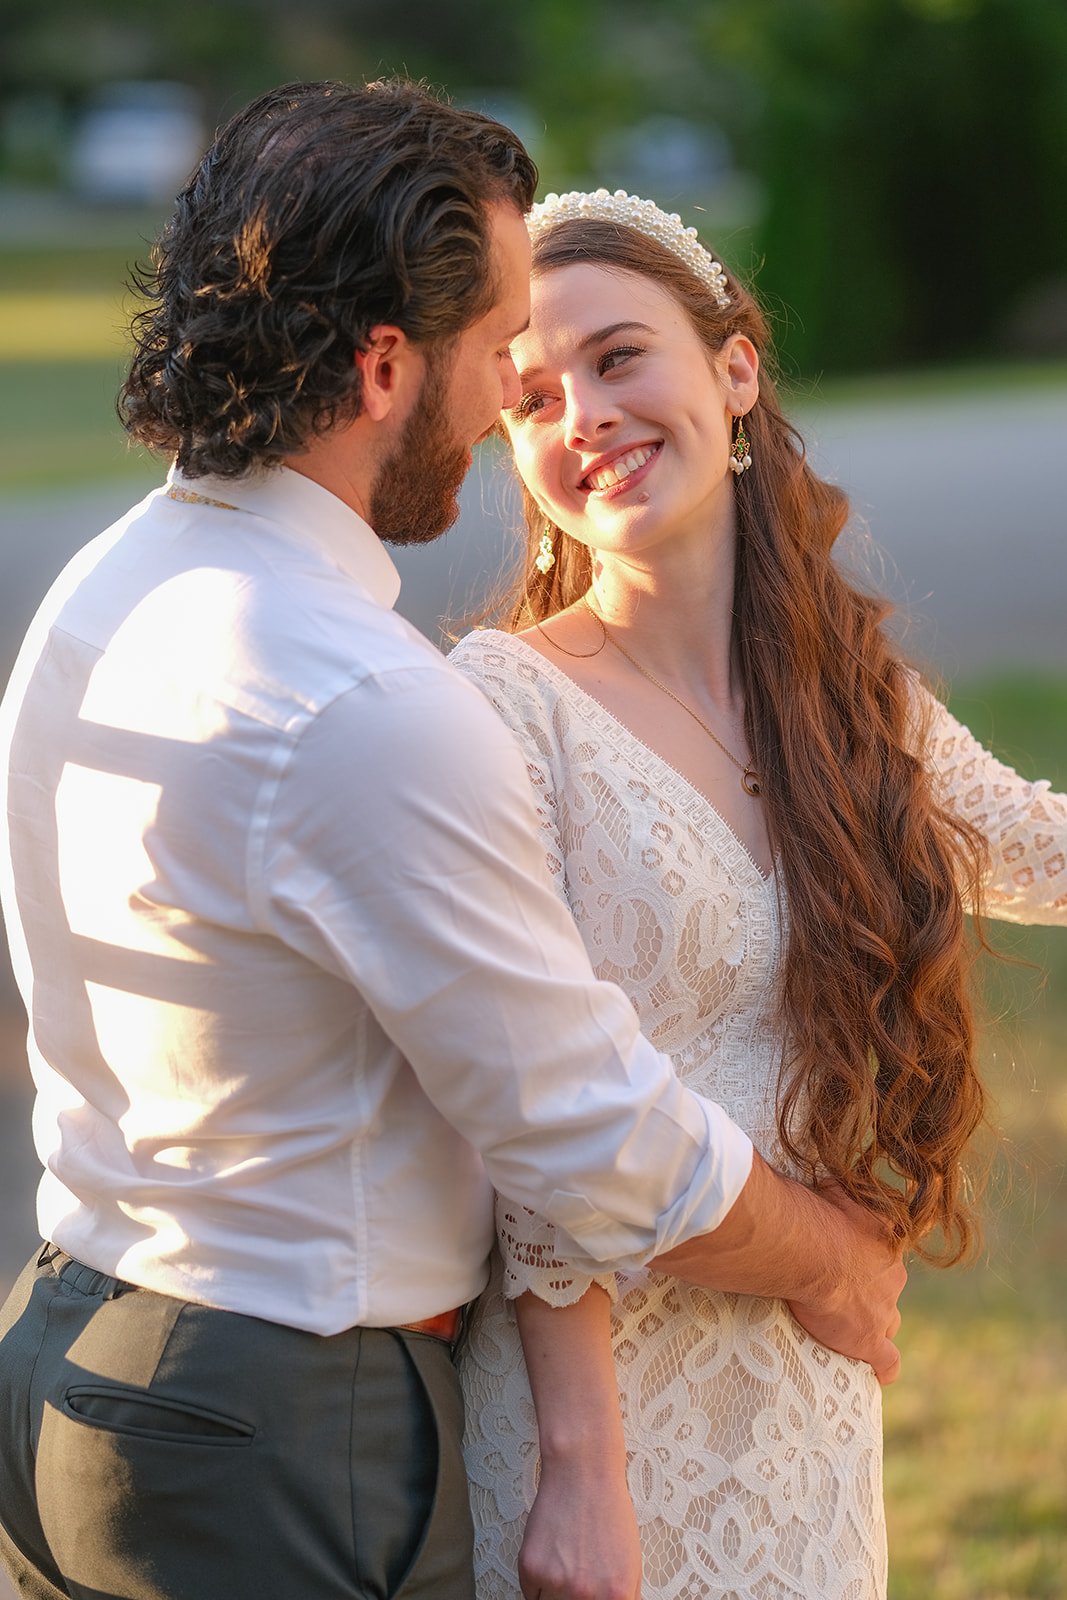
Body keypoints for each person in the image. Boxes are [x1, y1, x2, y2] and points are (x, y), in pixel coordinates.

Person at [0, 91, 907, 1600]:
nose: (508, 406)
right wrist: (837, 1261)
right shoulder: (366, 700)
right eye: (498, 354)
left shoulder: (105, 589)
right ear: (380, 368)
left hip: (73, 1359)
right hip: (283, 1435)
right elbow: (589, 1136)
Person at [451, 187, 1067, 1600]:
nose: (584, 415)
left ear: (732, 371)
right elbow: (533, 1126)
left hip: (804, 1382)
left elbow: (1037, 849)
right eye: (532, 398)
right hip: (597, 1419)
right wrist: (579, 1477)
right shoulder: (504, 706)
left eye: (619, 358)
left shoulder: (848, 697)